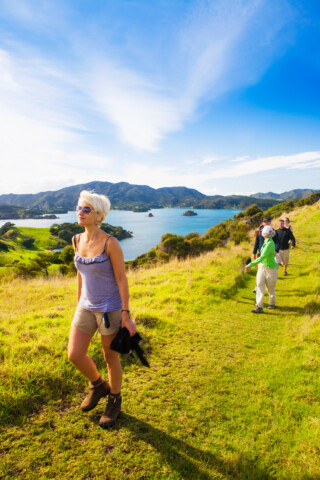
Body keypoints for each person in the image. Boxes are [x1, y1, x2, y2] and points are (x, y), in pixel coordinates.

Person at [68, 190, 136, 428]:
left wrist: (126, 314)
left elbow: (121, 279)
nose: (80, 213)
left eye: (86, 209)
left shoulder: (110, 243)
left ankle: (115, 399)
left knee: (110, 357)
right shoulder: (76, 240)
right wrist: (79, 302)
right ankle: (98, 385)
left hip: (109, 309)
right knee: (74, 354)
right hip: (85, 307)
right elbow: (80, 274)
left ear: (98, 215)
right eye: (79, 208)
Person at [245, 225, 278, 313]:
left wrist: (250, 264)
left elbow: (262, 256)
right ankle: (259, 306)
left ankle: (271, 303)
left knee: (270, 288)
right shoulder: (266, 241)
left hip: (271, 268)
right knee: (259, 285)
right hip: (262, 266)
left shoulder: (270, 243)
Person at [252, 216, 279, 293]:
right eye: (264, 222)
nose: (266, 223)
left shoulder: (273, 232)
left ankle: (269, 287)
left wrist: (276, 251)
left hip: (269, 255)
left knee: (268, 272)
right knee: (259, 272)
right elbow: (256, 242)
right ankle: (258, 287)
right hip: (260, 255)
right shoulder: (259, 231)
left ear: (270, 222)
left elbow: (277, 242)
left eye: (267, 222)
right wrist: (254, 252)